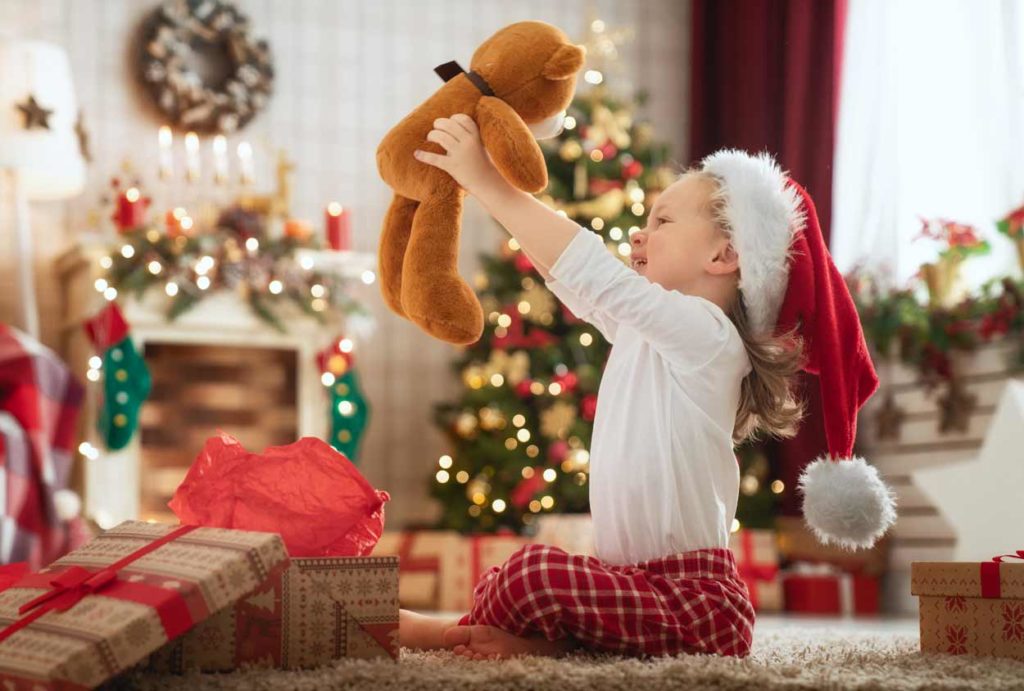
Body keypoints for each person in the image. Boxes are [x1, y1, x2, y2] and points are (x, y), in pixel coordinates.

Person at [399, 115, 895, 660]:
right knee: (526, 570)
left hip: (696, 603)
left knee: (531, 575)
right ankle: (540, 643)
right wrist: (485, 189)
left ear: (724, 256)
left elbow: (594, 274)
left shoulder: (709, 336)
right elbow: (572, 280)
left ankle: (456, 636)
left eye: (661, 221)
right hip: (633, 585)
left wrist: (491, 180)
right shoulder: (648, 331)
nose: (639, 233)